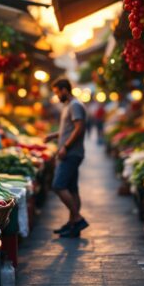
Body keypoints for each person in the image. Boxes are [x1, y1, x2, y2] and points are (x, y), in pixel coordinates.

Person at [45, 78, 89, 238]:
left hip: (71, 154)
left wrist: (65, 147)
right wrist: (54, 136)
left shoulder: (75, 105)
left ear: (64, 90)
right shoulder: (68, 106)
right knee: (72, 188)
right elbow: (70, 129)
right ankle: (72, 225)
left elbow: (79, 128)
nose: (56, 96)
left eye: (57, 92)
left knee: (58, 185)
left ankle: (77, 218)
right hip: (71, 153)